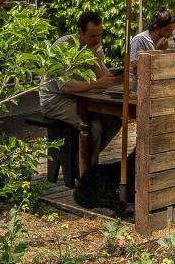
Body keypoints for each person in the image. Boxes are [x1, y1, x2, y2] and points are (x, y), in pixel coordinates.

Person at [38, 11, 117, 187]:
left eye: (99, 35)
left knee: (114, 121)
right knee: (93, 127)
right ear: (80, 32)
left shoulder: (94, 46)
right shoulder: (63, 46)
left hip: (80, 99)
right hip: (55, 100)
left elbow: (106, 79)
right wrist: (96, 84)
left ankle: (83, 163)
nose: (96, 39)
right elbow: (64, 86)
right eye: (92, 36)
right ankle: (87, 171)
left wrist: (95, 56)